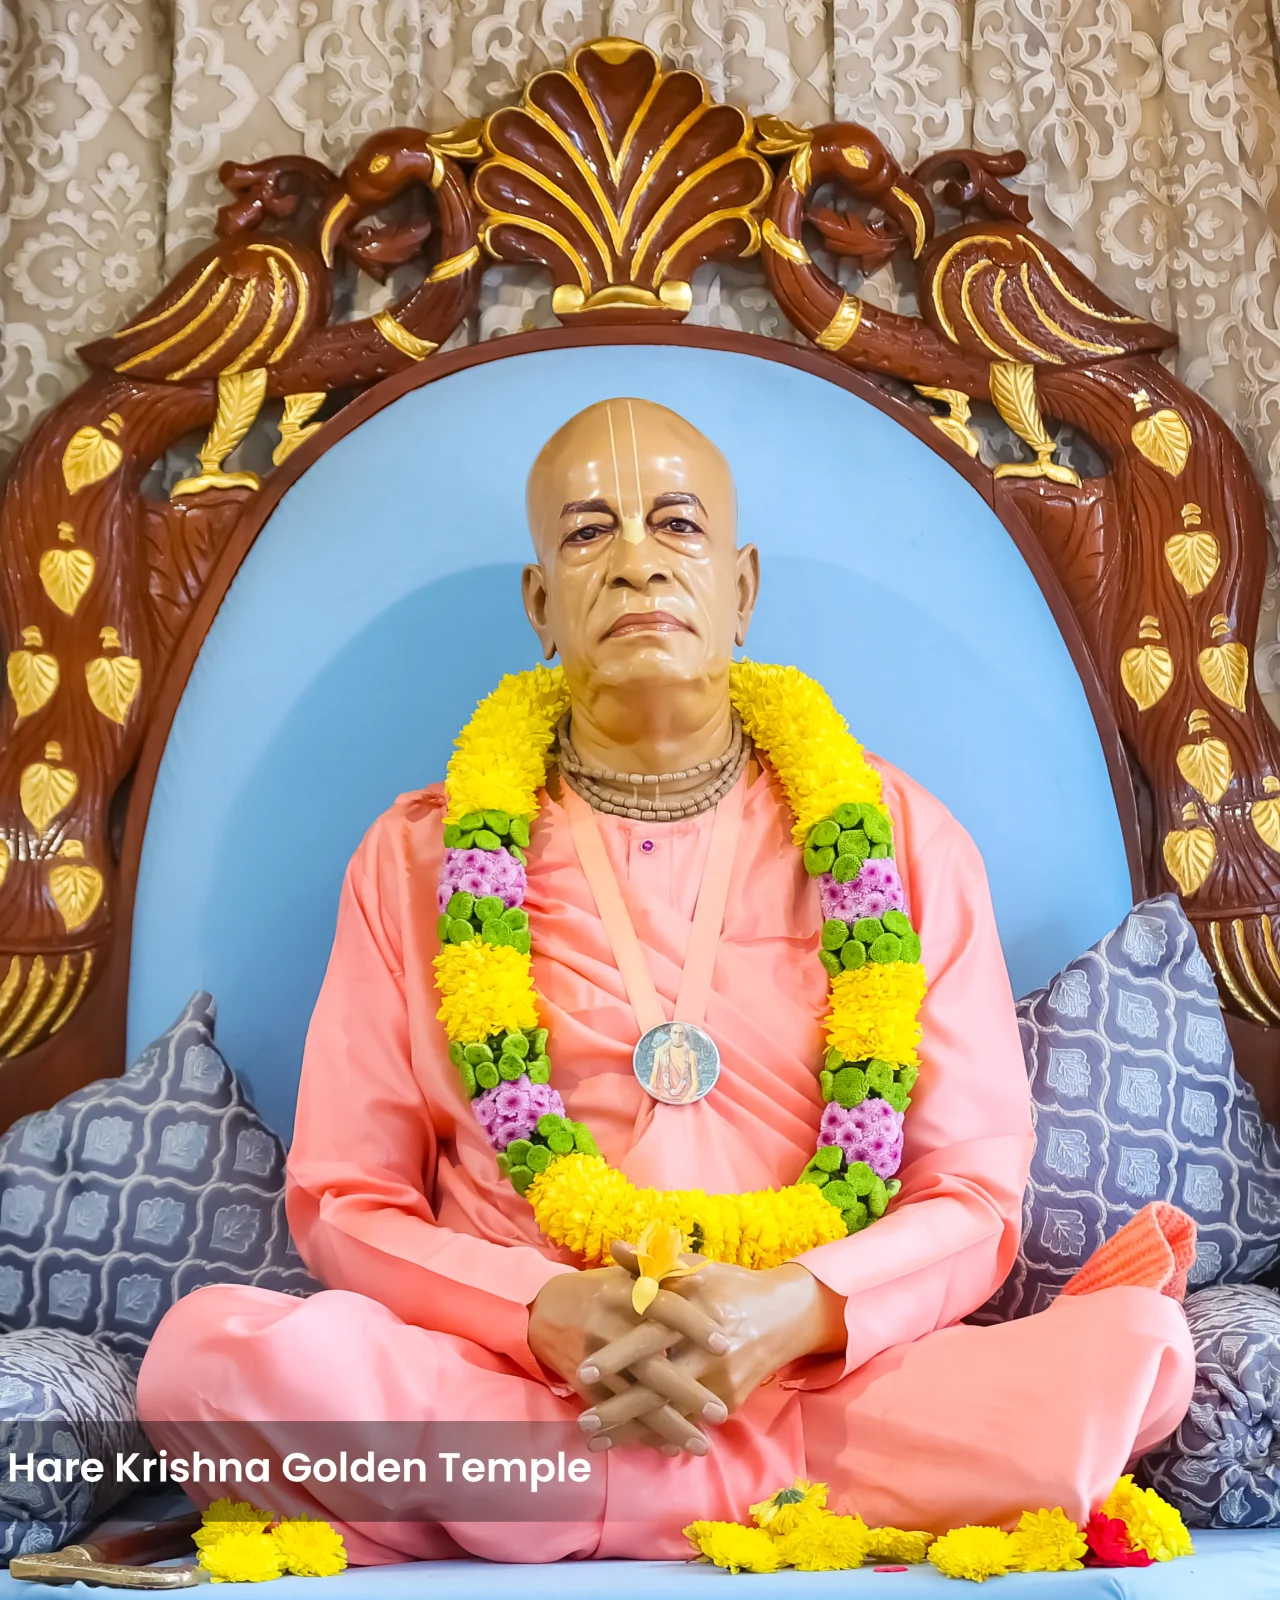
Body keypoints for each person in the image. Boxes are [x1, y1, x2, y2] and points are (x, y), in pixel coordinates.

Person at [138, 398, 1195, 1564]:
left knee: (1133, 1351)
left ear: (740, 588)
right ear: (541, 605)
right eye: (589, 531)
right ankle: (750, 1497)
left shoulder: (899, 839)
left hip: (825, 1379)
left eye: (676, 525)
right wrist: (541, 1315)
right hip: (522, 1382)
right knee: (205, 1356)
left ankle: (564, 1501)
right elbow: (347, 1199)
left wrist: (791, 1309)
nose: (637, 559)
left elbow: (973, 1193)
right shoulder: (416, 859)